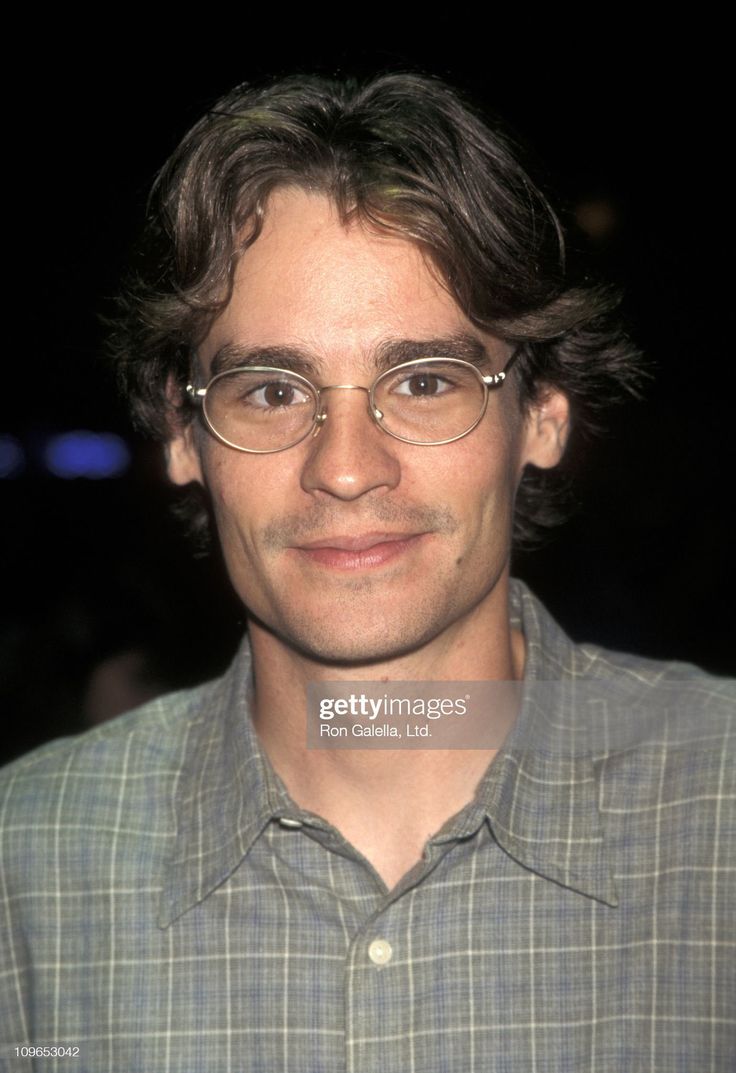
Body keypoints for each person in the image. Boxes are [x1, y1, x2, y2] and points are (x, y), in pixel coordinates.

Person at [1, 73, 733, 1072]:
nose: (344, 465)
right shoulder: (24, 874)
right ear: (183, 432)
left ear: (544, 414)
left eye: (423, 381)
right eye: (270, 388)